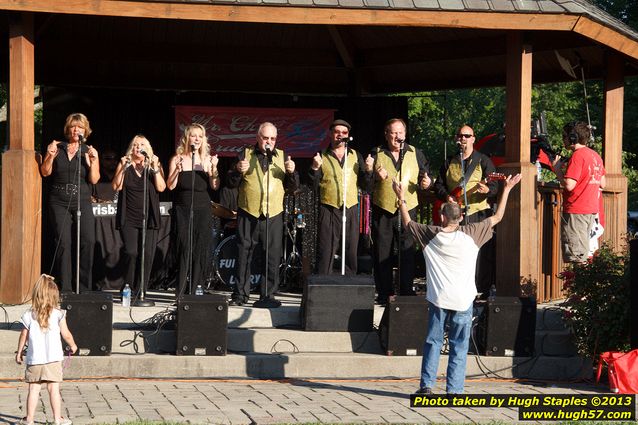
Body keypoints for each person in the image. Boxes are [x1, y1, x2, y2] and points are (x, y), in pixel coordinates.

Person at [394, 173, 521, 394]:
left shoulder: (430, 235)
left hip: (439, 299)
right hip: (463, 300)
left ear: (442, 217)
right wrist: (507, 188)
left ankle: (426, 387)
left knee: (433, 342)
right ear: (460, 218)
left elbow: (407, 222)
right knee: (459, 346)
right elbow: (497, 217)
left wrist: (401, 196)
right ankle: (455, 391)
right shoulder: (473, 233)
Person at [227, 122, 299, 308]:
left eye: (272, 138)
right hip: (248, 211)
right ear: (258, 138)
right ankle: (240, 294)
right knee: (244, 252)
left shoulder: (283, 157)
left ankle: (268, 294)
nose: (269, 142)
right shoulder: (245, 154)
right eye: (265, 138)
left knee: (272, 255)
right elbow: (231, 183)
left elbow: (293, 188)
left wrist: (292, 173)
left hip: (273, 212)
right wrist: (237, 170)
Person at [370, 118, 430, 304]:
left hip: (407, 208)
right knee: (382, 251)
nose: (397, 137)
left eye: (400, 133)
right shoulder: (376, 153)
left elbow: (425, 177)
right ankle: (384, 292)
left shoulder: (415, 153)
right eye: (393, 133)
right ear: (387, 135)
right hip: (384, 208)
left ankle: (405, 291)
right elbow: (365, 182)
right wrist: (374, 176)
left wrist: (427, 183)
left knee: (407, 250)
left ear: (405, 134)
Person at [432, 125, 498, 294]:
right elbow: (438, 185)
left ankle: (480, 289)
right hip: (454, 215)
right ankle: (458, 288)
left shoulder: (484, 161)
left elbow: (495, 186)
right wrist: (447, 196)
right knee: (457, 253)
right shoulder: (449, 161)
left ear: (473, 139)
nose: (463, 138)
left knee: (480, 253)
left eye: (467, 136)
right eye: (460, 135)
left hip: (478, 213)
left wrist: (487, 190)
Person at [40, 113, 100, 293]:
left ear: (85, 131)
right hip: (59, 199)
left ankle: (83, 288)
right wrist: (50, 156)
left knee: (88, 240)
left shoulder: (88, 150)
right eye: (73, 127)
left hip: (82, 199)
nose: (76, 130)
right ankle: (65, 288)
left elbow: (95, 179)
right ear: (68, 129)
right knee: (63, 242)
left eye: (80, 127)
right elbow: (45, 172)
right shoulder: (57, 147)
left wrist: (94, 161)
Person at [308, 119, 374, 275]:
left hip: (350, 207)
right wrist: (315, 168)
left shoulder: (355, 155)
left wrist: (369, 171)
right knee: (326, 249)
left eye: (344, 133)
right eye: (337, 132)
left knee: (351, 249)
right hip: (329, 207)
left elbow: (366, 186)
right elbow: (312, 185)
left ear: (348, 135)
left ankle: (349, 283)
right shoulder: (321, 155)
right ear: (330, 134)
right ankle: (324, 284)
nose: (340, 135)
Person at [15, 274, 77, 425]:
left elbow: (23, 335)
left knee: (33, 390)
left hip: (34, 360)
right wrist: (73, 345)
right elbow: (66, 334)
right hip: (53, 359)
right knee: (53, 389)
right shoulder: (58, 314)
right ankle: (57, 419)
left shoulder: (29, 315)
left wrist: (19, 352)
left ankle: (29, 419)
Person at [167, 123, 220, 295]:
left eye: (199, 136)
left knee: (199, 248)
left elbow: (214, 185)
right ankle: (180, 290)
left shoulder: (206, 160)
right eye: (193, 135)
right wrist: (177, 169)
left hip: (202, 208)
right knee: (184, 247)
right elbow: (170, 185)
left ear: (203, 139)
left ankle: (197, 288)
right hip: (183, 208)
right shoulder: (178, 158)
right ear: (187, 138)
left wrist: (214, 169)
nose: (196, 139)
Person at [112, 135, 167, 295]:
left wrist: (155, 167)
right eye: (135, 145)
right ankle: (128, 288)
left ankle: (141, 289)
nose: (138, 147)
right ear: (131, 149)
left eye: (142, 145)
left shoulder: (153, 166)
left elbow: (162, 187)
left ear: (147, 149)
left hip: (149, 217)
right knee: (131, 252)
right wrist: (122, 166)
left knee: (148, 254)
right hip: (129, 216)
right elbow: (117, 186)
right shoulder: (125, 165)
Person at [552, 121, 606, 263]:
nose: (563, 139)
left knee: (576, 256)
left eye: (565, 136)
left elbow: (569, 185)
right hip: (591, 210)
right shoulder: (596, 156)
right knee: (583, 252)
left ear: (573, 138)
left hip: (576, 211)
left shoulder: (578, 156)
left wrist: (557, 170)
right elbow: (603, 183)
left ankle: (579, 285)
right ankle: (582, 283)